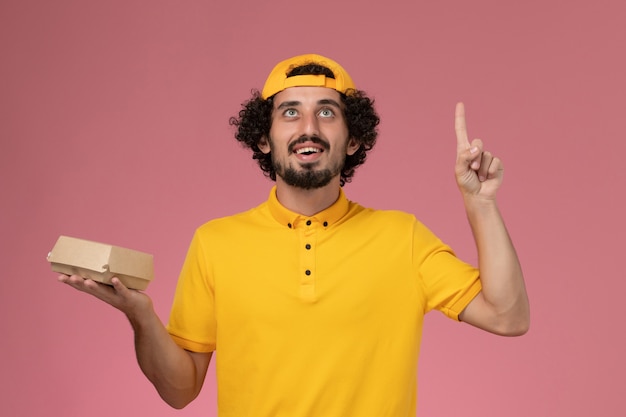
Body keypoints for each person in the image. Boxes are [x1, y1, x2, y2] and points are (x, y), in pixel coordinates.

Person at [59, 53, 530, 416]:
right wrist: (141, 316)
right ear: (263, 139)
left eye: (327, 112)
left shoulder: (402, 237)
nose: (308, 128)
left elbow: (508, 317)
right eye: (289, 113)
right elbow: (180, 390)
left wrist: (480, 203)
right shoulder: (215, 242)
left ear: (354, 139)